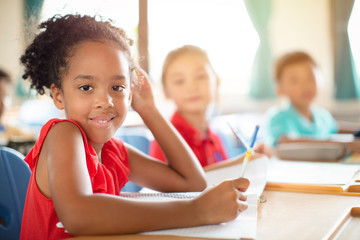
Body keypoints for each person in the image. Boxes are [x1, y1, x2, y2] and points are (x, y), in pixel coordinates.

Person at [19, 15, 250, 239]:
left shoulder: (114, 153)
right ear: (59, 96)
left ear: (130, 93)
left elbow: (192, 182)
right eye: (86, 87)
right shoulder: (63, 134)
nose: (106, 101)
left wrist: (149, 109)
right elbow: (78, 215)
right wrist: (197, 212)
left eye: (117, 87)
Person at [149, 45, 262, 169]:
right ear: (166, 91)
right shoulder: (165, 139)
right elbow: (183, 184)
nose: (191, 87)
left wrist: (249, 160)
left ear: (217, 82)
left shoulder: (214, 137)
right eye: (179, 81)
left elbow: (224, 181)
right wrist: (239, 163)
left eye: (200, 77)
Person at [264, 51, 360, 153]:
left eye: (310, 77)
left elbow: (335, 127)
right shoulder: (278, 117)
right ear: (280, 90)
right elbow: (286, 142)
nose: (305, 85)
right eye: (295, 80)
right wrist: (344, 144)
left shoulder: (322, 115)